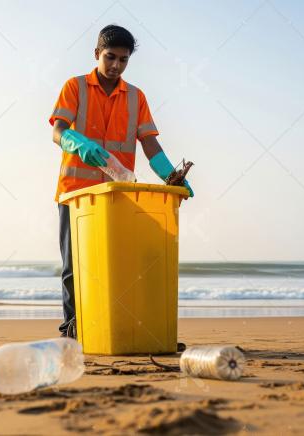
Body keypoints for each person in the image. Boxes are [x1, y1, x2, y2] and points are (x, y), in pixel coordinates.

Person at [49, 24, 193, 338]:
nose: (116, 65)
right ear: (96, 54)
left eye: (123, 60)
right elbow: (57, 130)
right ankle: (73, 332)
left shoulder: (136, 97)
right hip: (76, 194)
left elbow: (150, 143)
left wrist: (172, 177)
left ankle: (124, 327)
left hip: (118, 194)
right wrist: (77, 142)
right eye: (110, 57)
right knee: (76, 267)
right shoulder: (75, 87)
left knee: (120, 266)